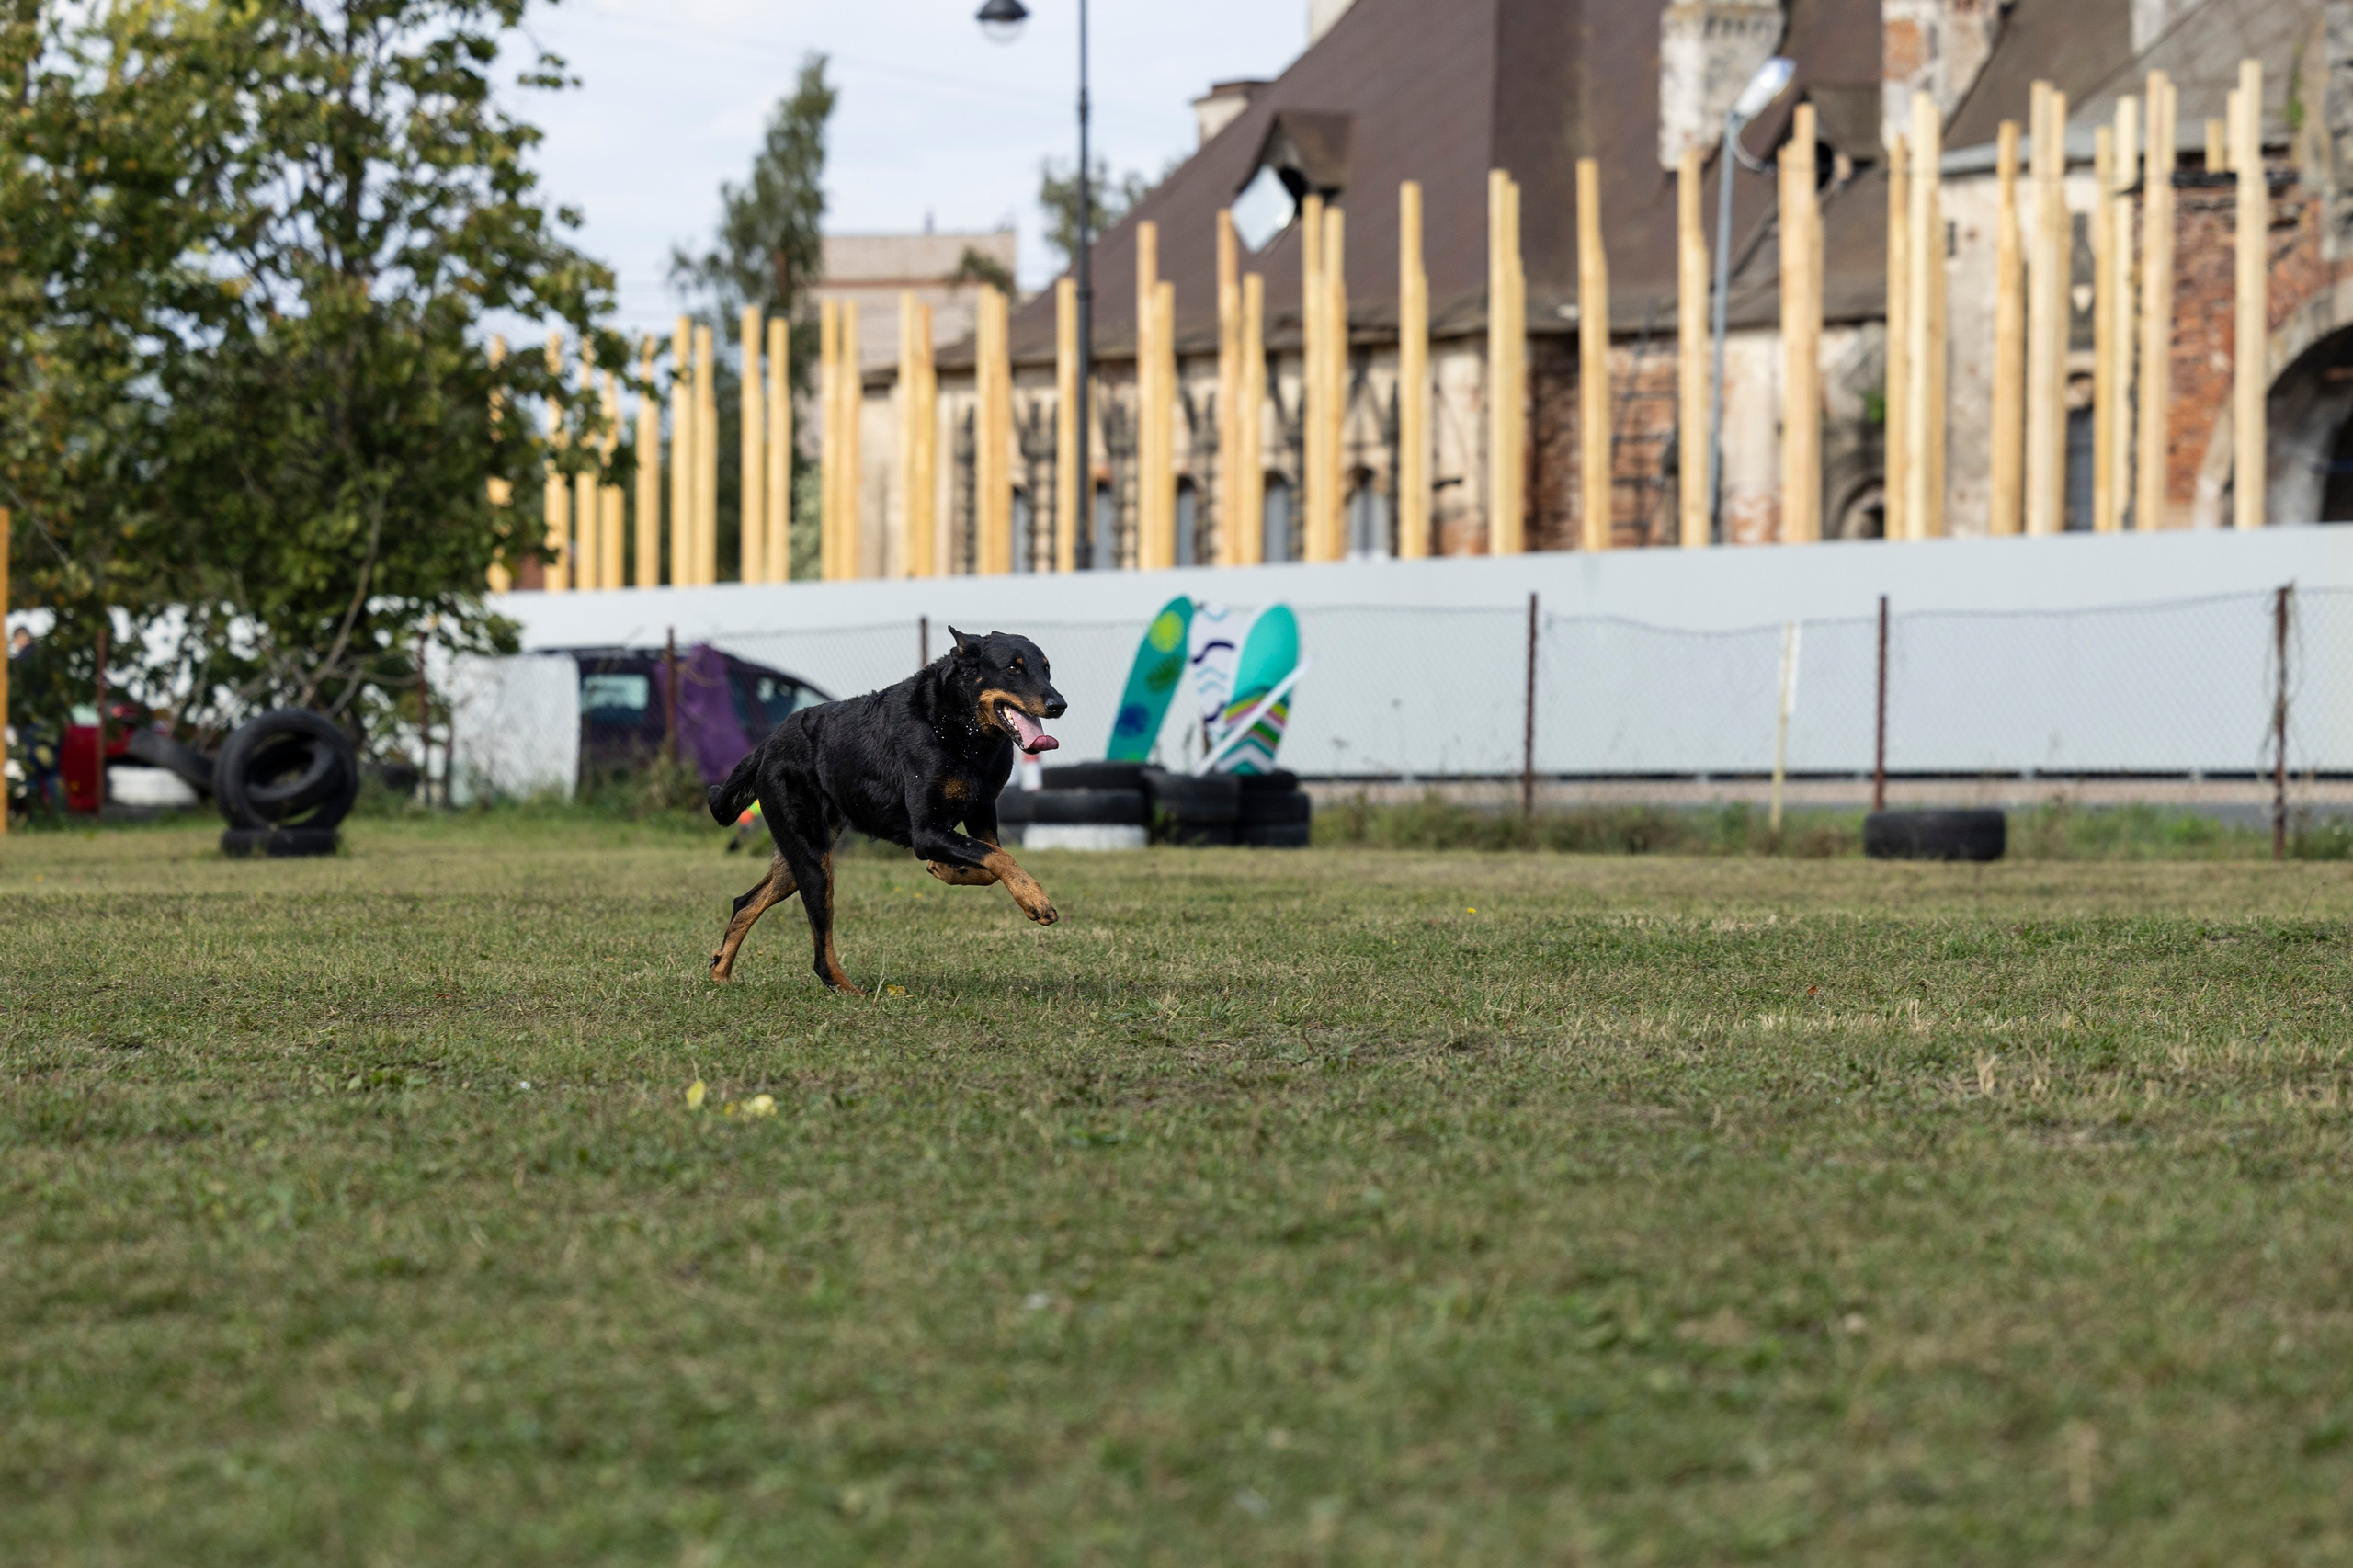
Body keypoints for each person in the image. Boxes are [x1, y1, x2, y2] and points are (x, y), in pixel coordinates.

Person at [6, 626, 63, 820]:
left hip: (32, 723)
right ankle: (58, 813)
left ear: (18, 639)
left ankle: (33, 814)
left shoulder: (20, 664)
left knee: (30, 770)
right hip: (52, 723)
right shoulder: (47, 661)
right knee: (53, 771)